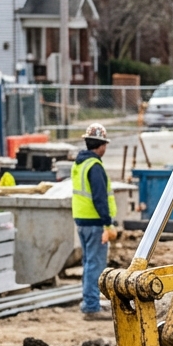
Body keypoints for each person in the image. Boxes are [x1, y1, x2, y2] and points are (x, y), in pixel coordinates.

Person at [73, 123, 120, 321]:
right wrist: (107, 223)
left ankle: (89, 301)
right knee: (95, 264)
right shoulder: (95, 166)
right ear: (101, 145)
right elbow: (100, 198)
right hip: (95, 223)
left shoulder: (80, 163)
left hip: (82, 221)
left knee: (88, 263)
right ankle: (91, 307)